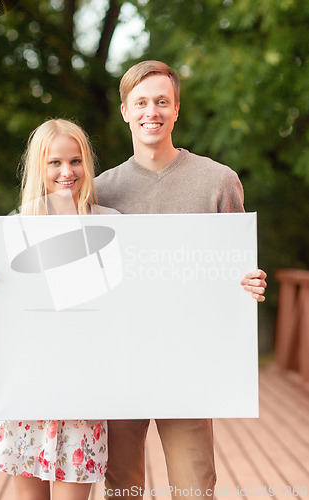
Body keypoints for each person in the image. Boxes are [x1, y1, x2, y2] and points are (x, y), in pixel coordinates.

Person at [93, 60, 267, 499]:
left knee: (195, 487)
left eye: (162, 102)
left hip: (188, 364)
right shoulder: (100, 190)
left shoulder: (217, 181)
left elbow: (236, 268)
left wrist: (250, 283)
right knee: (121, 488)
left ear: (175, 110)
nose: (152, 111)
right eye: (141, 102)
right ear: (125, 111)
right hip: (121, 361)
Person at [0, 118, 119, 500]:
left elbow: (125, 308)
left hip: (82, 392)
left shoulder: (111, 224)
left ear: (87, 164)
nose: (66, 172)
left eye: (75, 161)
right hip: (28, 390)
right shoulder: (17, 226)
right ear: (40, 166)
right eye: (55, 162)